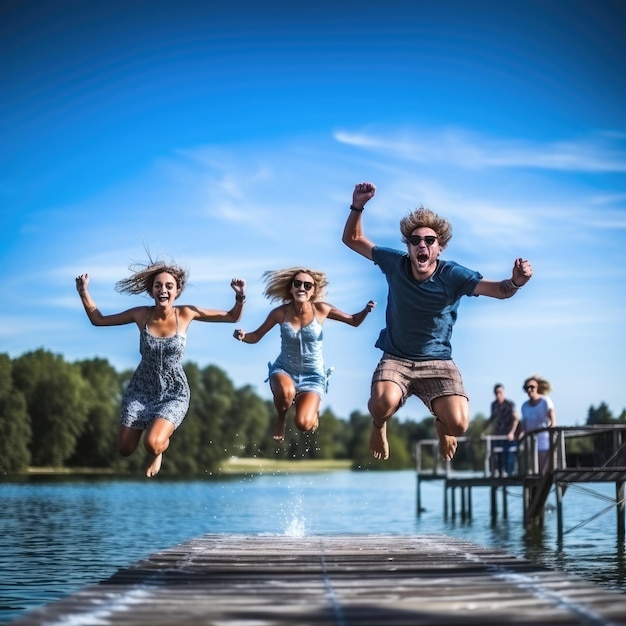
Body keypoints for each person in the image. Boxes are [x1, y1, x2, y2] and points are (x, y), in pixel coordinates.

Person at [342, 181, 534, 462]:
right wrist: (358, 205)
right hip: (397, 357)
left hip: (438, 362)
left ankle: (442, 429)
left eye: (429, 241)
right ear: (408, 246)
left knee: (459, 424)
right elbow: (353, 239)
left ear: (439, 248)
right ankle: (379, 425)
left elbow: (501, 290)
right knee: (383, 403)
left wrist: (517, 280)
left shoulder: (454, 275)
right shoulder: (394, 263)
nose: (422, 245)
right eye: (415, 241)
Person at [76, 259, 246, 477]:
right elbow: (98, 320)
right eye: (158, 285)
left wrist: (240, 296)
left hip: (173, 392)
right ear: (152, 291)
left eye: (168, 286)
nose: (163, 289)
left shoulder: (185, 313)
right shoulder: (141, 315)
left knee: (153, 443)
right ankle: (155, 446)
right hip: (141, 389)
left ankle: (158, 452)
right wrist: (83, 292)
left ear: (177, 291)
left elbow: (232, 317)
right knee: (125, 448)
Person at [233, 268, 375, 441]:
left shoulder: (321, 309)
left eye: (307, 285)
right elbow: (255, 337)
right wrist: (243, 336)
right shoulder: (280, 313)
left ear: (313, 291)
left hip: (313, 377)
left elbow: (354, 321)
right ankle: (281, 418)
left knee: (303, 424)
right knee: (286, 392)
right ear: (291, 288)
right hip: (284, 370)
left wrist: (366, 311)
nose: (302, 288)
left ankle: (313, 413)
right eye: (298, 284)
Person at [520, 375, 556, 474]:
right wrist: (521, 436)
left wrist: (552, 428)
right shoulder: (524, 406)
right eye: (527, 388)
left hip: (544, 442)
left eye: (532, 387)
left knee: (543, 470)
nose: (530, 389)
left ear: (537, 388)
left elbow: (552, 415)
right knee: (532, 471)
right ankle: (534, 488)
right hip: (530, 443)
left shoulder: (545, 401)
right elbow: (524, 424)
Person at [485, 384, 520, 476]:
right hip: (498, 435)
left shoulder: (510, 404)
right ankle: (497, 473)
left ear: (504, 393)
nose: (498, 395)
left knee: (509, 456)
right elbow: (492, 419)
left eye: (500, 392)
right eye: (496, 393)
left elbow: (516, 419)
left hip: (508, 436)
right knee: (496, 456)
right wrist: (483, 431)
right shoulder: (494, 405)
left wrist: (512, 433)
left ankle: (509, 473)